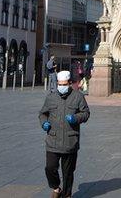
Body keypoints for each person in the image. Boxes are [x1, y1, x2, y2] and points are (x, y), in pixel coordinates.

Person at [39, 70, 90, 198]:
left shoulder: (78, 97)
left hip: (70, 141)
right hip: (53, 139)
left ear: (69, 83)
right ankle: (56, 188)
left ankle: (67, 195)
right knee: (50, 168)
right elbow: (43, 113)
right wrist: (44, 123)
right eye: (59, 84)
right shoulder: (51, 97)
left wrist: (75, 118)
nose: (61, 87)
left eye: (64, 84)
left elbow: (86, 113)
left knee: (68, 172)